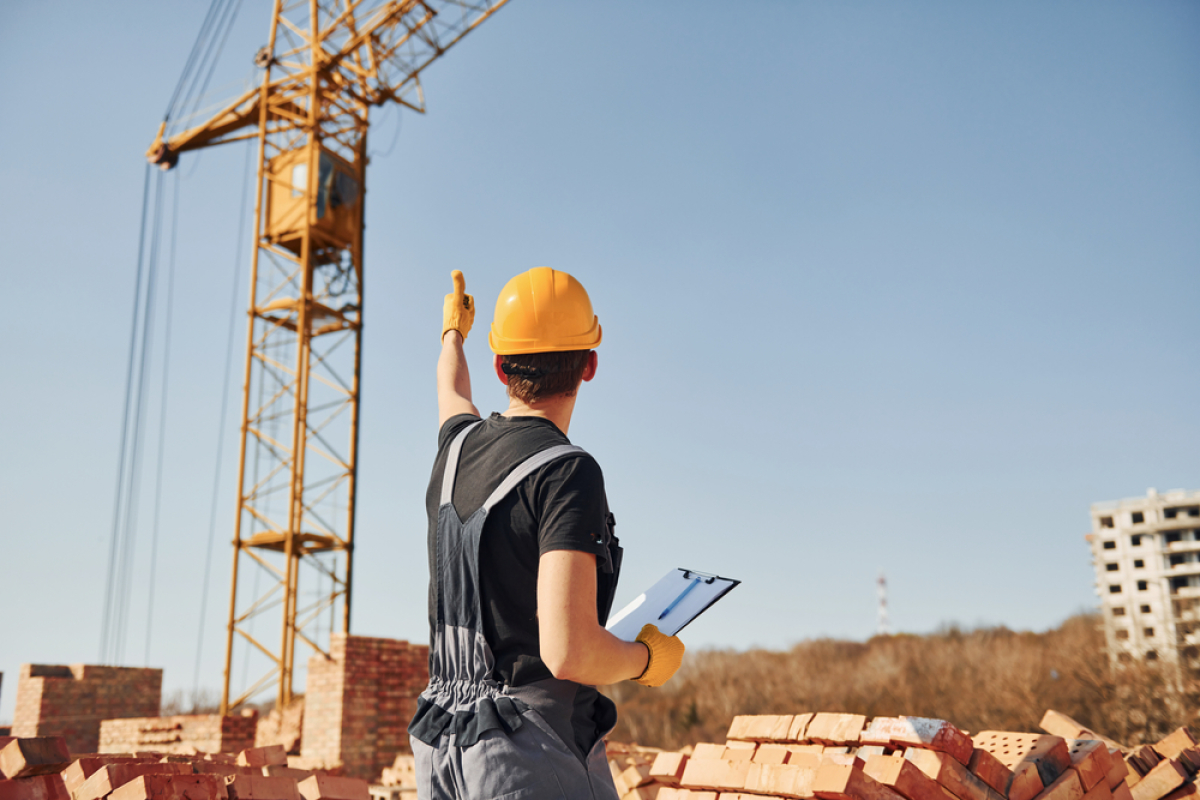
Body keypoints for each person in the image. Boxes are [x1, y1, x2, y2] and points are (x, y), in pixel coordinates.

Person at [408, 267, 686, 799]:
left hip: (441, 744)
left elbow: (451, 390)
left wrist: (453, 333)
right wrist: (648, 660)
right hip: (528, 753)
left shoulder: (455, 449)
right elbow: (569, 653)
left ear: (499, 365)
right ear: (590, 365)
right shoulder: (567, 473)